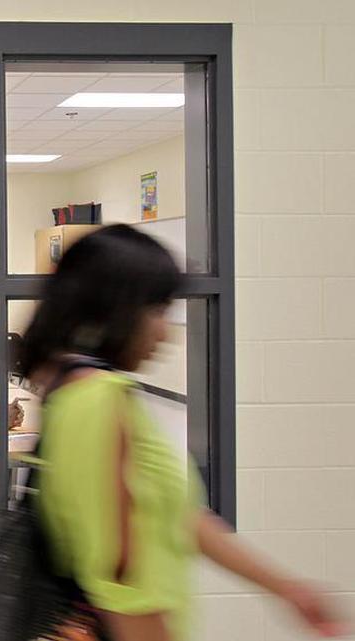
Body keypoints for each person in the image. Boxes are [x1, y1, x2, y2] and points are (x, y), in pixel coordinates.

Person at [22, 225, 346, 641]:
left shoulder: (75, 390)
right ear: (113, 308)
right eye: (156, 310)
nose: (166, 333)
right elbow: (119, 579)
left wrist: (284, 588)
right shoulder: (98, 401)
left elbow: (179, 516)